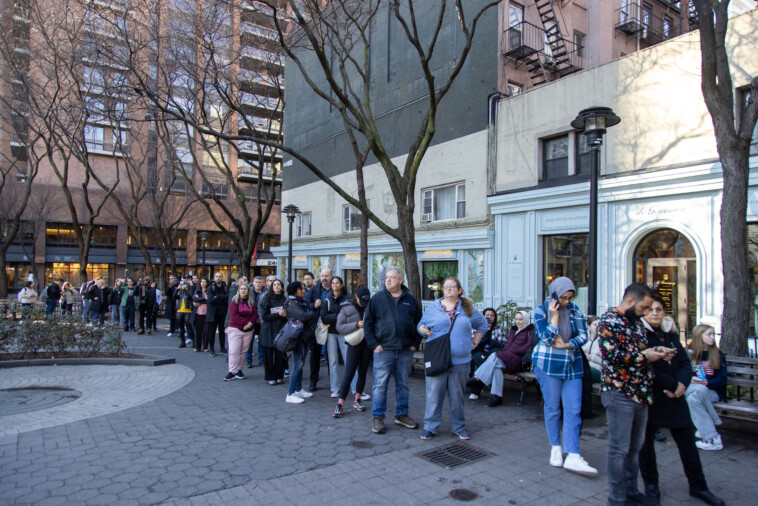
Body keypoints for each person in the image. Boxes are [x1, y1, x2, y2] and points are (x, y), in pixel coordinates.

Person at [639, 297, 725, 506]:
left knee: (688, 445)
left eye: (659, 309)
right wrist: (671, 385)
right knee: (646, 446)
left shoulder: (670, 335)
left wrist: (680, 385)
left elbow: (686, 364)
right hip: (652, 397)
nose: (655, 313)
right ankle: (651, 487)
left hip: (676, 397)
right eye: (650, 310)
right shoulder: (639, 336)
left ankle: (699, 486)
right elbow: (646, 367)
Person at [598, 283, 676, 506]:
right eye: (643, 308)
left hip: (641, 393)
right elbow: (611, 355)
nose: (646, 313)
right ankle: (617, 497)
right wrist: (644, 357)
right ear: (630, 301)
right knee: (618, 449)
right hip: (619, 392)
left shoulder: (636, 323)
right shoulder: (609, 320)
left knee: (634, 448)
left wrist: (659, 353)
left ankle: (631, 491)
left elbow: (638, 349)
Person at [533, 277, 597, 476]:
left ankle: (574, 453)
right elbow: (546, 338)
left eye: (569, 298)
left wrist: (568, 345)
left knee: (573, 409)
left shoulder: (575, 310)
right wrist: (553, 317)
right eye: (563, 298)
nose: (566, 302)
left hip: (572, 363)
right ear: (554, 294)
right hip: (548, 364)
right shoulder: (540, 310)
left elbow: (583, 335)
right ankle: (556, 447)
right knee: (552, 407)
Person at [417, 277, 487, 440]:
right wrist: (423, 329)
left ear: (459, 290)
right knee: (433, 395)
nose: (448, 289)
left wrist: (475, 342)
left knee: (458, 396)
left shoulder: (467, 308)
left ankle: (459, 427)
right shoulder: (434, 308)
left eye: (452, 287)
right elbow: (421, 325)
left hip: (460, 361)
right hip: (437, 359)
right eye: (445, 287)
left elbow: (482, 325)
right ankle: (430, 427)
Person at [364, 266, 422, 435]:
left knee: (403, 384)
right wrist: (374, 345)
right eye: (387, 277)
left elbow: (420, 323)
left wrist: (415, 344)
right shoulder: (377, 299)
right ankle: (378, 416)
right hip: (384, 350)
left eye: (392, 277)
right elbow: (367, 324)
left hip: (405, 350)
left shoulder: (410, 300)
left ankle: (402, 414)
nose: (388, 280)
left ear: (401, 280)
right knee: (380, 385)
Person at [467, 310, 535, 407]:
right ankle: (497, 397)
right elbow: (507, 344)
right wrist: (507, 351)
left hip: (517, 360)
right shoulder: (513, 330)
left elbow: (527, 347)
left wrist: (511, 351)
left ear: (526, 320)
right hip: (507, 357)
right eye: (516, 319)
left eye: (521, 319)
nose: (518, 321)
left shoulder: (529, 331)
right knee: (496, 367)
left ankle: (477, 378)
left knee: (495, 355)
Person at [686, 324, 728, 452]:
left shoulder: (717, 354)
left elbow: (722, 379)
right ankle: (712, 437)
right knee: (694, 398)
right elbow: (684, 373)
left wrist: (707, 383)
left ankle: (709, 434)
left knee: (698, 392)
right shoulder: (690, 354)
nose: (712, 337)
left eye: (713, 334)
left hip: (713, 392)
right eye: (709, 334)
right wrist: (691, 379)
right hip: (696, 389)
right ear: (699, 336)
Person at [333, 287, 372, 417]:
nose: (363, 304)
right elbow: (339, 327)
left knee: (362, 373)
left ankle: (358, 399)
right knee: (349, 373)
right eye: (362, 301)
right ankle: (340, 404)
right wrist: (356, 325)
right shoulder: (346, 308)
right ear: (356, 297)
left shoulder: (370, 307)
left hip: (367, 344)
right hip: (354, 344)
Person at [284, 281, 318, 404]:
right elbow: (303, 316)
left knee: (301, 363)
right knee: (297, 364)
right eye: (301, 289)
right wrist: (312, 314)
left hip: (303, 336)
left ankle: (298, 389)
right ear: (295, 291)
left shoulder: (299, 301)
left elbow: (305, 312)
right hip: (297, 337)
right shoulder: (292, 303)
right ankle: (290, 393)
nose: (303, 291)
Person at [320, 276, 350, 398]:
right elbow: (324, 318)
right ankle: (335, 388)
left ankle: (354, 388)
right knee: (333, 362)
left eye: (337, 283)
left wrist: (333, 316)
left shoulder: (347, 300)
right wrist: (338, 316)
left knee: (349, 361)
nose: (334, 285)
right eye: (333, 283)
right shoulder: (327, 300)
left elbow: (349, 316)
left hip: (344, 333)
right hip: (331, 333)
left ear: (342, 285)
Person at [304, 268, 333, 392]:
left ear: (331, 276)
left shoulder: (335, 289)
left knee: (332, 357)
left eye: (327, 275)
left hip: (332, 326)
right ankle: (313, 381)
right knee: (315, 355)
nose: (324, 278)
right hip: (317, 326)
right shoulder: (314, 290)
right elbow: (305, 305)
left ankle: (334, 383)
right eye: (322, 275)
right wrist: (313, 305)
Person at [225, 283, 258, 381]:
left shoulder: (251, 302)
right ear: (238, 291)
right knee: (234, 351)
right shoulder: (234, 302)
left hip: (248, 330)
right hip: (236, 328)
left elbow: (255, 314)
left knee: (243, 351)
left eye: (245, 289)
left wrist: (251, 323)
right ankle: (231, 371)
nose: (243, 291)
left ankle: (239, 370)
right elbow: (234, 315)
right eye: (242, 289)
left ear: (248, 291)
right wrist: (245, 323)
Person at [259, 279, 288, 385]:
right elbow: (264, 316)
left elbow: (288, 315)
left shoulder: (285, 299)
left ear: (281, 287)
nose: (276, 286)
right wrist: (278, 315)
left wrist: (285, 315)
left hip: (281, 330)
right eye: (274, 285)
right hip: (268, 330)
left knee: (280, 355)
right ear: (271, 287)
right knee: (268, 355)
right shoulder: (267, 299)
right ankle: (270, 377)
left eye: (278, 285)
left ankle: (279, 376)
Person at [206, 272, 229, 354]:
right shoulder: (210, 288)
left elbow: (228, 297)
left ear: (222, 277)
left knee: (222, 332)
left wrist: (218, 296)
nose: (218, 278)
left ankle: (222, 348)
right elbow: (210, 300)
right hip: (213, 313)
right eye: (216, 276)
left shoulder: (225, 287)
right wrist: (222, 297)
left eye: (220, 276)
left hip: (222, 313)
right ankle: (211, 349)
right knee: (212, 332)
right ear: (214, 277)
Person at [175, 278, 194, 348]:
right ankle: (182, 342)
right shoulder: (180, 294)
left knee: (188, 327)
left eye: (185, 287)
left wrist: (185, 289)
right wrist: (177, 289)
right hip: (179, 311)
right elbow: (174, 297)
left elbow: (190, 296)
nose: (183, 288)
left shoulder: (189, 293)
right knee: (181, 328)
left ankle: (194, 341)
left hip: (187, 311)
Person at [581, 316, 602, 383]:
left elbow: (605, 361)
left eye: (599, 325)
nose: (597, 327)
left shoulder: (603, 341)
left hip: (597, 370)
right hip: (586, 367)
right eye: (595, 325)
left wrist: (591, 358)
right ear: (588, 327)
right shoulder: (584, 339)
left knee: (582, 370)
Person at [251, 276, 266, 366]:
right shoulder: (249, 292)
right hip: (251, 319)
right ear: (253, 283)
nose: (258, 284)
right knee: (249, 340)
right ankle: (249, 359)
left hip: (262, 320)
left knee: (261, 340)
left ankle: (261, 359)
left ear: (263, 284)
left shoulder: (266, 293)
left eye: (260, 282)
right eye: (256, 282)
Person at [192, 278, 209, 353]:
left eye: (204, 281)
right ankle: (197, 347)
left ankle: (205, 346)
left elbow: (209, 300)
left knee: (206, 331)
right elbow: (195, 299)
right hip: (198, 313)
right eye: (201, 281)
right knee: (198, 331)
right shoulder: (197, 290)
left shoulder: (209, 291)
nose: (203, 283)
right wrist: (204, 298)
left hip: (207, 313)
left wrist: (200, 300)